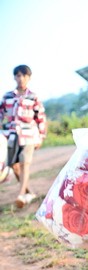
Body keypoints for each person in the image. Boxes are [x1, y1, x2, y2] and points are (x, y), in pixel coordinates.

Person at [0, 65, 47, 208]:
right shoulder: (7, 96)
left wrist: (41, 136)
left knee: (24, 163)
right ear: (15, 77)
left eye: (24, 76)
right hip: (11, 135)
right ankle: (30, 192)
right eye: (18, 75)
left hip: (29, 135)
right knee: (13, 166)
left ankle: (21, 195)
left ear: (29, 78)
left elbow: (41, 117)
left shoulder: (33, 97)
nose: (21, 79)